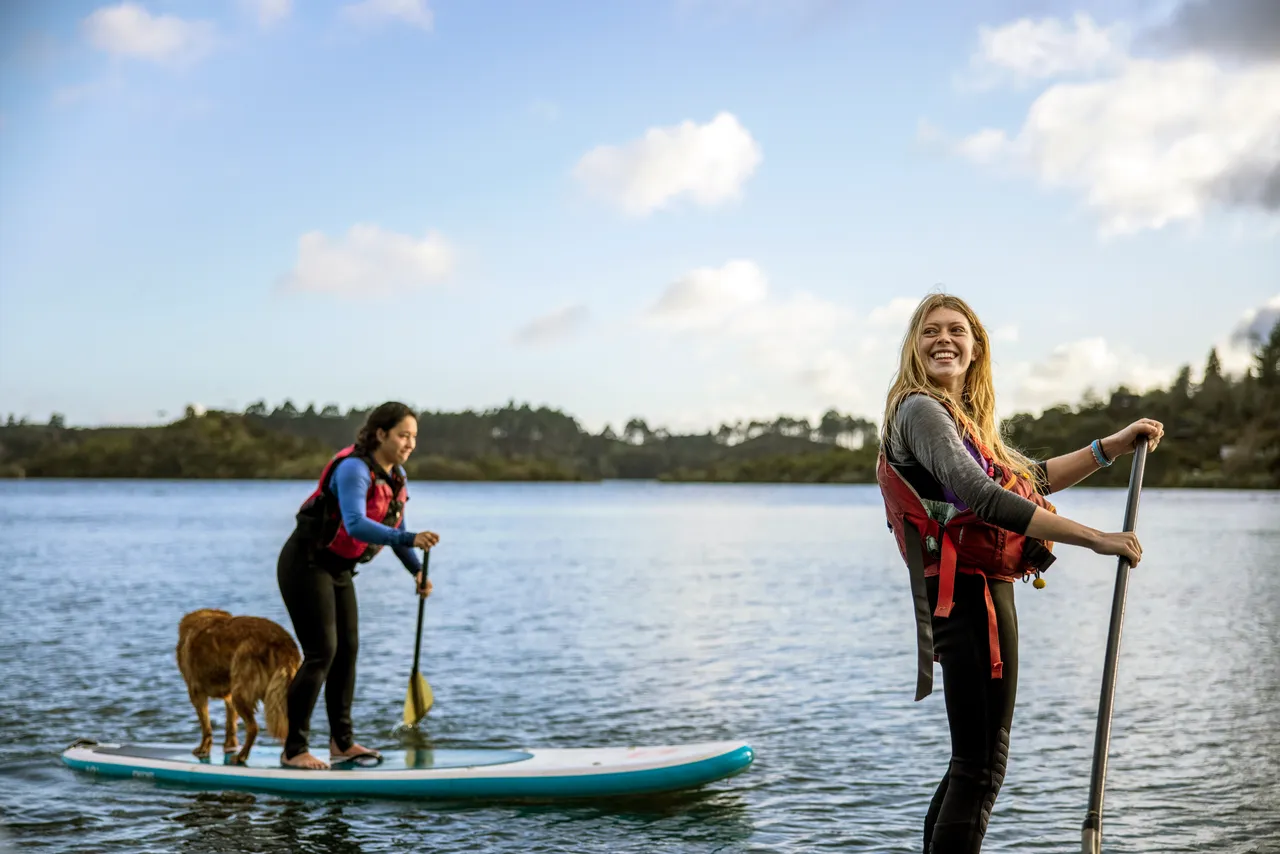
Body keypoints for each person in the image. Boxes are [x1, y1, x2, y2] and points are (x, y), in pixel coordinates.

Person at [876, 294, 1164, 852]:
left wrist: (1110, 448)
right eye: (929, 331)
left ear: (976, 346)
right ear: (913, 347)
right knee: (980, 768)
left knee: (973, 764)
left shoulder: (957, 421)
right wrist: (1095, 538)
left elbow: (1026, 478)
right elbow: (982, 496)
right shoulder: (920, 410)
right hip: (966, 602)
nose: (943, 340)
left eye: (956, 330)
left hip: (974, 596)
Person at [276, 401, 440, 770]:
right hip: (306, 563)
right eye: (403, 435)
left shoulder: (396, 476)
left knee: (347, 651)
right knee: (322, 653)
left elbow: (395, 529)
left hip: (339, 569)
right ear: (380, 434)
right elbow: (355, 524)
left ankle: (342, 743)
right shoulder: (353, 469)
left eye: (414, 437)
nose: (409, 443)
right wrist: (413, 538)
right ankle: (294, 749)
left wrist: (415, 569)